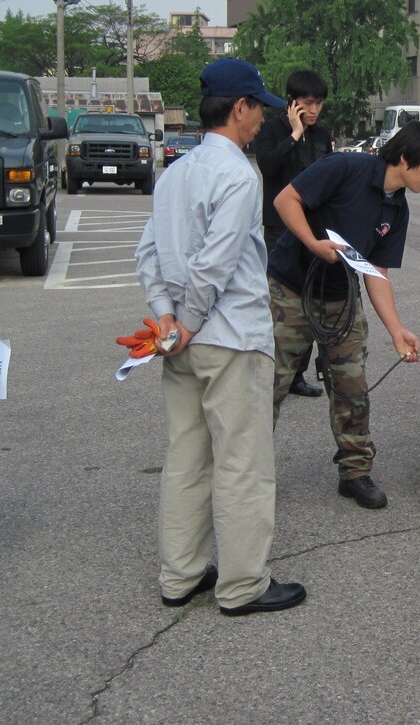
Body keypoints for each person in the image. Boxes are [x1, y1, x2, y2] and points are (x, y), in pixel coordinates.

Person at [135, 58, 305, 617]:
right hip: (228, 337)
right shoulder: (237, 175)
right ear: (239, 109)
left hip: (180, 341)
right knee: (242, 462)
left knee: (187, 456)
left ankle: (179, 576)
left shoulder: (176, 172)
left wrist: (166, 320)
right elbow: (217, 262)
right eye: (258, 109)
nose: (261, 121)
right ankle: (241, 585)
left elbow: (147, 254)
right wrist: (187, 318)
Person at [268, 120, 420, 509]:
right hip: (292, 289)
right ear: (404, 156)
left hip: (341, 297)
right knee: (271, 383)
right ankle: (247, 470)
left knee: (352, 387)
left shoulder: (397, 209)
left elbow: (376, 272)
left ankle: (355, 472)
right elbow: (286, 200)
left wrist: (396, 330)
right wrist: (313, 244)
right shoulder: (345, 167)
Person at [254, 69, 333, 398]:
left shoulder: (324, 134)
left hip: (313, 231)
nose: (313, 110)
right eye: (307, 103)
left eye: (319, 104)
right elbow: (268, 167)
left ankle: (298, 373)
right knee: (280, 304)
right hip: (278, 229)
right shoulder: (271, 130)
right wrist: (296, 133)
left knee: (311, 298)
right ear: (292, 102)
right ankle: (272, 372)